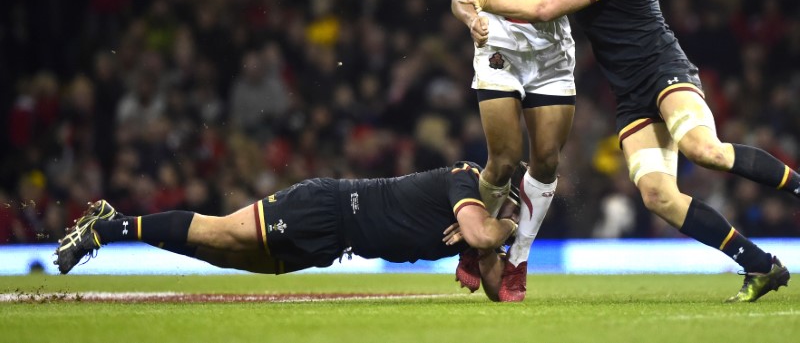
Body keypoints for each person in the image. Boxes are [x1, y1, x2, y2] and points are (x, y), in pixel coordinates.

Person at [455, 0, 797, 303]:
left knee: (703, 150)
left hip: (664, 72)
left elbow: (544, 8)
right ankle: (761, 266)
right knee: (658, 197)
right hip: (632, 94)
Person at [54, 161, 518, 301]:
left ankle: (111, 223)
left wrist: (502, 235)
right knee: (216, 233)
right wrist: (508, 227)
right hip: (326, 207)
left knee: (219, 253)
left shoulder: (479, 215)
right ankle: (107, 227)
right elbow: (480, 237)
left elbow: (498, 291)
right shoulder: (466, 177)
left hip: (334, 243)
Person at [450, 0, 584, 302]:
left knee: (546, 159)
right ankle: (477, 241)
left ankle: (519, 258)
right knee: (504, 159)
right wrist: (472, 20)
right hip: (501, 49)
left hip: (550, 53)